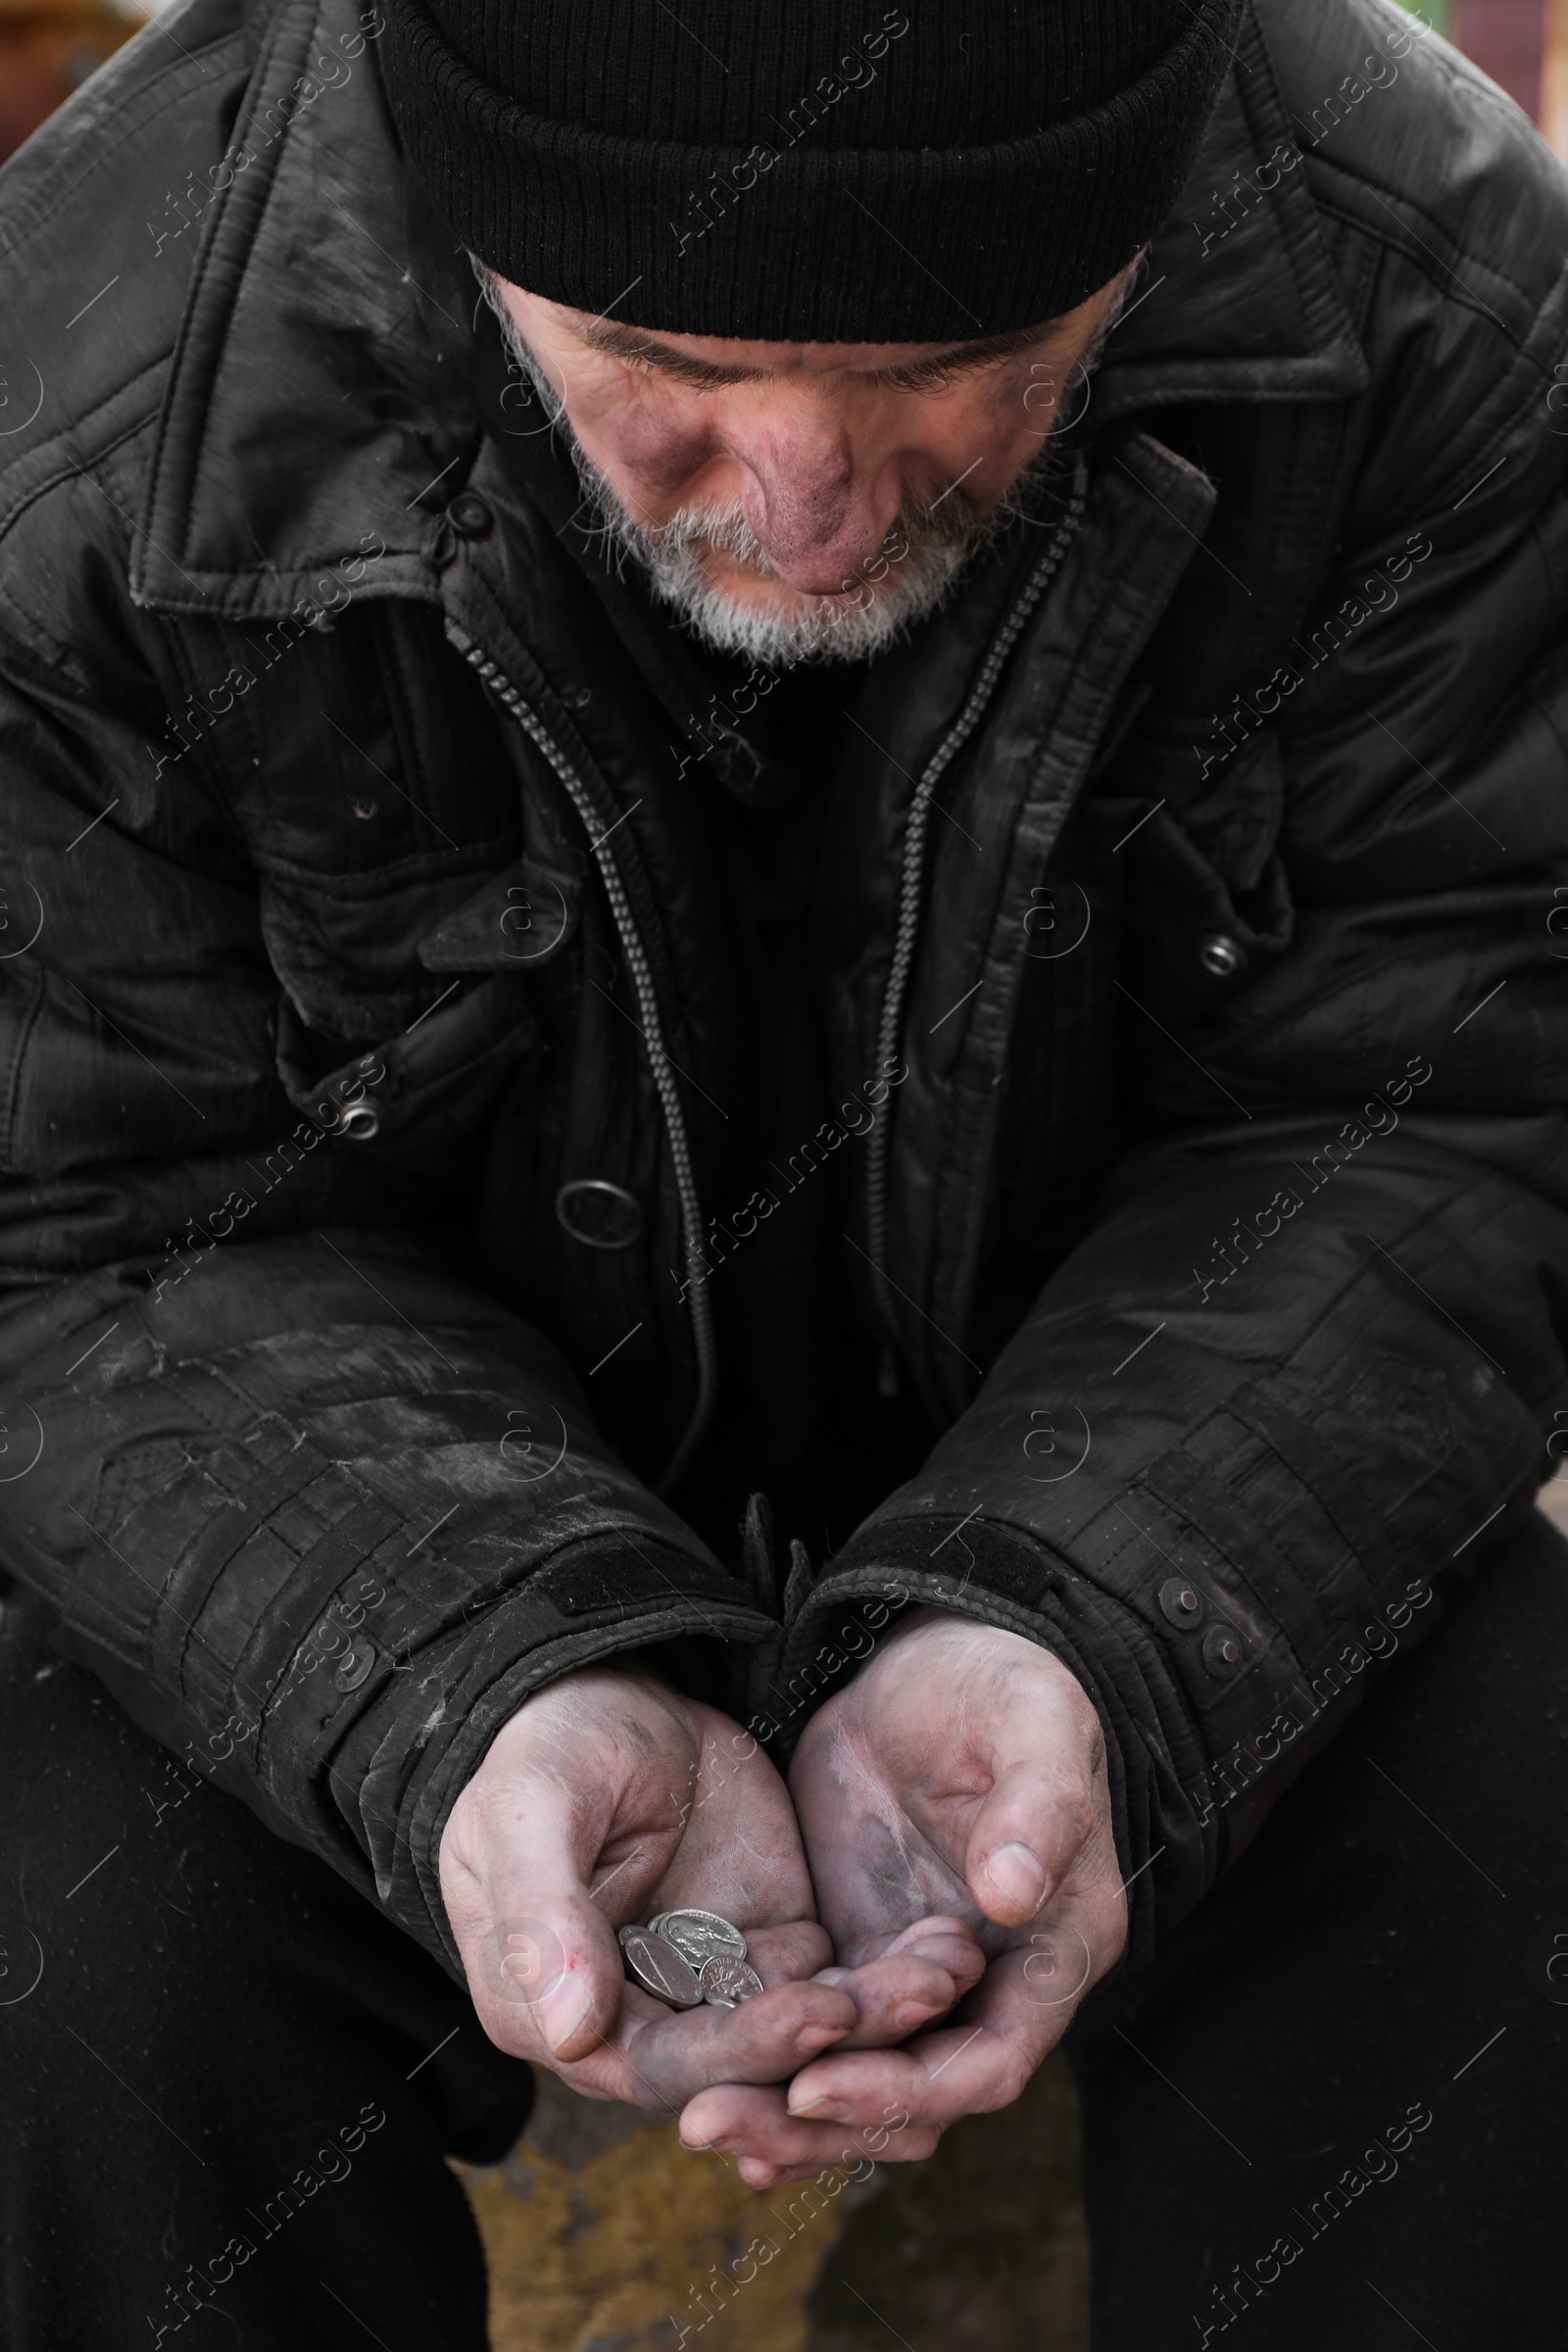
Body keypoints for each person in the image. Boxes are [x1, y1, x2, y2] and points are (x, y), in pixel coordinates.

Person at [0, 0, 1565, 2342]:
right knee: (62, 1955)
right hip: (365, 1472)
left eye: (968, 356)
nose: (805, 496)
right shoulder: (76, 384)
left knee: (1517, 1823)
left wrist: (1072, 1625)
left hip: (1138, 1413)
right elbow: (84, 1224)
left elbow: (1435, 1093)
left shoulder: (1434, 292)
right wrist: (488, 1675)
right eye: (654, 353)